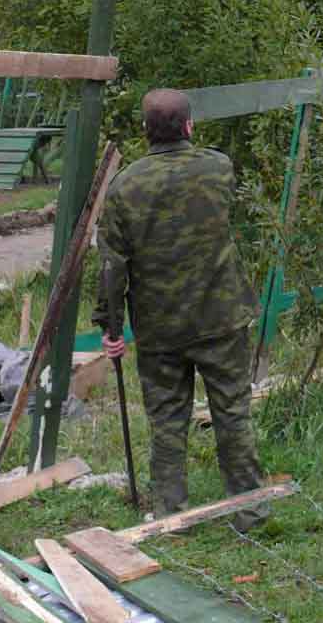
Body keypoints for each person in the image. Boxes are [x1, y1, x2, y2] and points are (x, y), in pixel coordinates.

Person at [97, 89, 266, 531]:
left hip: (159, 327)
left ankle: (172, 514)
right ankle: (249, 509)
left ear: (145, 130)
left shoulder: (124, 186)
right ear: (189, 126)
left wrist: (110, 325)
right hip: (221, 316)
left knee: (168, 421)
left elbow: (112, 265)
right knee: (232, 411)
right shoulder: (219, 168)